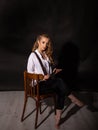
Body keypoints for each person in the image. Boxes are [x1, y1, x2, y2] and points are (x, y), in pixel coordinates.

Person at [27, 34, 84, 129]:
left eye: (47, 43)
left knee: (61, 89)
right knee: (59, 82)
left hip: (47, 84)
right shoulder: (32, 56)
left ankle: (57, 119)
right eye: (43, 42)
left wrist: (53, 71)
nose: (45, 45)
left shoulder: (46, 55)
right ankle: (73, 98)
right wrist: (41, 77)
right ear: (38, 42)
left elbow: (48, 73)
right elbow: (29, 74)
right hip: (37, 86)